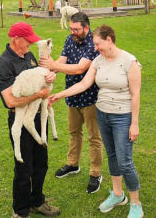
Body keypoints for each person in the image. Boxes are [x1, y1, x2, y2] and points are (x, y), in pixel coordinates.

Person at [49, 25, 143, 218]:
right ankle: (118, 195)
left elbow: (135, 95)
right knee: (112, 157)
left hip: (122, 117)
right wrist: (60, 94)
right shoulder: (98, 61)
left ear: (109, 40)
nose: (96, 48)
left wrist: (134, 123)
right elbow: (84, 84)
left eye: (98, 44)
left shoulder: (129, 61)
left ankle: (136, 204)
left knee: (125, 162)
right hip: (103, 114)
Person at [0, 22, 60, 218]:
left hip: (40, 119)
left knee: (41, 164)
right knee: (24, 169)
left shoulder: (29, 56)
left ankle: (37, 201)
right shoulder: (4, 64)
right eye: (27, 41)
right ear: (15, 39)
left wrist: (50, 77)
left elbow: (43, 75)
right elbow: (11, 101)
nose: (30, 44)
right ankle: (20, 212)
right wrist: (40, 94)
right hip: (21, 122)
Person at [39, 12, 103, 194]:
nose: (73, 32)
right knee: (74, 132)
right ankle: (73, 164)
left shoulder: (93, 44)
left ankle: (95, 173)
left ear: (86, 28)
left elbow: (79, 68)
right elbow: (61, 61)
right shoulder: (69, 39)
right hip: (72, 95)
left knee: (94, 137)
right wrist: (51, 70)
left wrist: (53, 66)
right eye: (71, 28)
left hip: (91, 98)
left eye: (76, 29)